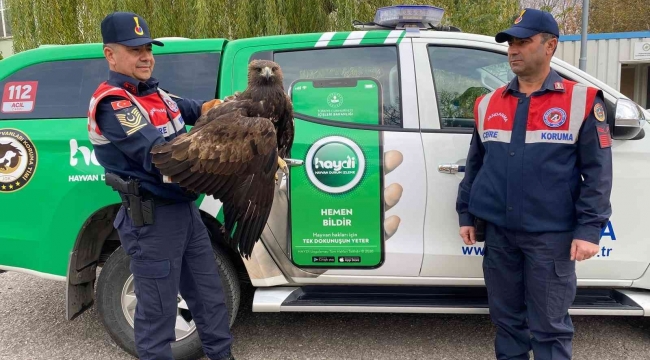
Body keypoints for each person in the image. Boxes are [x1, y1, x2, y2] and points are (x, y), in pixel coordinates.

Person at [456, 8, 612, 360]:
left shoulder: (582, 101)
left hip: (551, 237)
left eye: (523, 42)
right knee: (508, 322)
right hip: (499, 234)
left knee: (549, 327)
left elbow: (598, 174)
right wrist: (466, 213)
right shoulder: (488, 103)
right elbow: (476, 165)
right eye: (511, 42)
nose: (513, 49)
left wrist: (589, 229)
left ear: (550, 46)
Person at [87, 11, 234, 360]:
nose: (146, 56)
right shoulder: (115, 103)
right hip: (152, 223)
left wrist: (237, 106)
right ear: (110, 54)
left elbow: (200, 109)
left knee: (211, 301)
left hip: (185, 214)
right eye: (135, 49)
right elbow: (160, 155)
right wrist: (229, 163)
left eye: (148, 48)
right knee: (158, 320)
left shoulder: (158, 95)